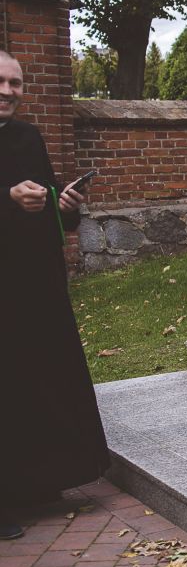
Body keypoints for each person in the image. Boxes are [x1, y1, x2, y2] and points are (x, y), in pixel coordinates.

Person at [0, 51, 109, 539]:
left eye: (16, 83)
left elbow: (50, 206)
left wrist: (65, 203)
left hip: (35, 283)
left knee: (38, 382)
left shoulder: (28, 136)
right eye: (1, 82)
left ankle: (37, 483)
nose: (8, 91)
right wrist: (7, 198)